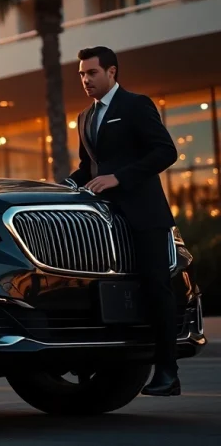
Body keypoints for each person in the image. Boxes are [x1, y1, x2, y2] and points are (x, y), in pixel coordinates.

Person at [67, 46, 180, 396]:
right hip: (104, 223)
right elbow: (89, 168)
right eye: (82, 74)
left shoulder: (136, 105)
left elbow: (165, 151)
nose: (86, 80)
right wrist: (66, 184)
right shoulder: (85, 118)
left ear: (112, 72)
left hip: (145, 215)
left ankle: (167, 373)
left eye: (92, 73)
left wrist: (119, 178)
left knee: (156, 288)